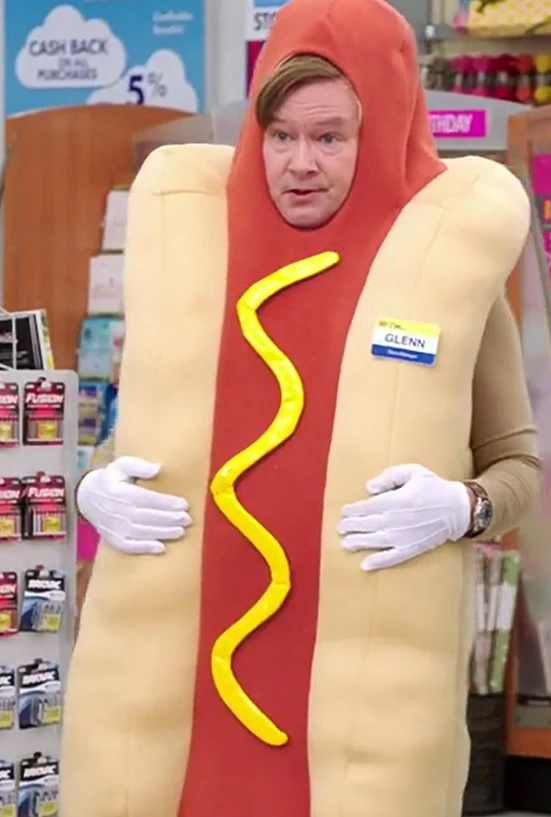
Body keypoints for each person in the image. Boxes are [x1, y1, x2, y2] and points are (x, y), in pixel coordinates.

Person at [61, 1, 540, 816]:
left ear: (380, 132)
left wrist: (463, 506)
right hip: (187, 694)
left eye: (328, 137)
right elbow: (144, 437)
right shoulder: (196, 253)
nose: (299, 164)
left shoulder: (444, 271)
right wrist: (92, 487)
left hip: (352, 704)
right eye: (278, 135)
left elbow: (517, 463)